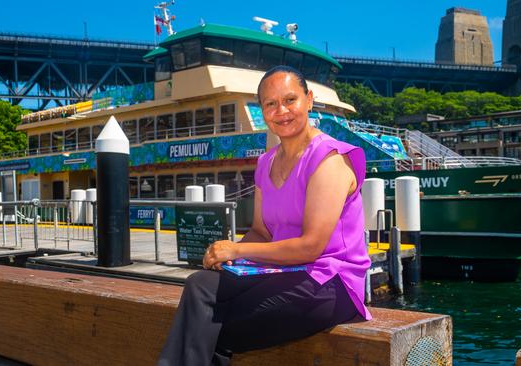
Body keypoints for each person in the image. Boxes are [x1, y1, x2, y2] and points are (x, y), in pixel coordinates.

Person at [158, 65, 371, 366]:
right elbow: (261, 231)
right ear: (262, 110)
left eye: (290, 100)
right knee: (199, 284)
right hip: (283, 271)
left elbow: (311, 247)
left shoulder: (329, 160)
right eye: (270, 104)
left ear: (309, 100)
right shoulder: (266, 163)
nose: (281, 110)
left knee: (218, 324)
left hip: (330, 281)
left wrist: (237, 248)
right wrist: (228, 258)